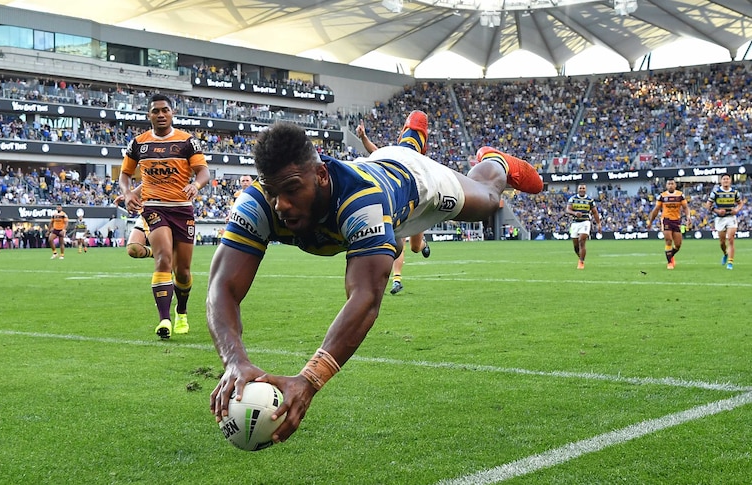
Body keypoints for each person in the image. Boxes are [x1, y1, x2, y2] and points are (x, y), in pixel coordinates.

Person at [207, 117, 543, 443]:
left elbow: (365, 298)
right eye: (272, 192)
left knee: (487, 201)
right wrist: (234, 361)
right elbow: (222, 286)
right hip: (379, 170)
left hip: (413, 182)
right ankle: (411, 139)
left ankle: (494, 159)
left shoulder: (361, 200)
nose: (281, 204)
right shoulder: (257, 203)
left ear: (321, 175)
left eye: (292, 189)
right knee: (387, 242)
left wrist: (309, 380)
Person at [119, 93, 211, 338]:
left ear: (172, 113)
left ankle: (181, 311)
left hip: (182, 209)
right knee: (163, 259)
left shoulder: (187, 141)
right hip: (154, 207)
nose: (160, 115)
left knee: (183, 271)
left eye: (165, 110)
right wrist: (128, 193)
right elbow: (125, 174)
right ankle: (164, 320)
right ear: (149, 115)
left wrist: (196, 186)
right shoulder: (138, 143)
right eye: (155, 111)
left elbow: (203, 172)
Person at [355, 117, 431, 295]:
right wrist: (363, 137)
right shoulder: (398, 153)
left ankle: (423, 243)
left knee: (414, 246)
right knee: (400, 240)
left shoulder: (422, 162)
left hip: (419, 204)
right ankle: (397, 280)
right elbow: (377, 153)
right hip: (404, 202)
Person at [646, 178, 690, 270]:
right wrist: (650, 221)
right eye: (669, 184)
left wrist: (688, 217)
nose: (670, 185)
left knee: (678, 245)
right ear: (666, 186)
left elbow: (685, 207)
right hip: (666, 220)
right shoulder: (662, 196)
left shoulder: (680, 195)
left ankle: (670, 255)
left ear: (675, 185)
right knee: (668, 240)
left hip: (677, 221)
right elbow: (656, 210)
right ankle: (670, 262)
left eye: (672, 183)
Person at [704, 174, 746, 270]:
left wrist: (737, 210)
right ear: (721, 181)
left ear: (730, 181)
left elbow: (740, 203)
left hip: (731, 217)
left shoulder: (735, 192)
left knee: (731, 239)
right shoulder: (716, 192)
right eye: (724, 179)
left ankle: (730, 263)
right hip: (720, 219)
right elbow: (708, 205)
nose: (726, 180)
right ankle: (725, 254)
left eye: (727, 179)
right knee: (722, 242)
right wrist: (717, 211)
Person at [565, 183, 601, 269]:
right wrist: (574, 213)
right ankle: (580, 257)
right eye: (580, 188)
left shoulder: (590, 200)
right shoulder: (573, 199)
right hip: (575, 223)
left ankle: (581, 262)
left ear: (585, 190)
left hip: (585, 222)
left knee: (582, 241)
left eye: (583, 188)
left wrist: (599, 224)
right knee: (576, 246)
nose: (582, 189)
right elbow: (567, 209)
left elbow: (595, 212)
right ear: (578, 189)